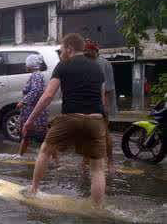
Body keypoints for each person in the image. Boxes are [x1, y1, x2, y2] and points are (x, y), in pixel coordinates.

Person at [22, 33, 107, 206]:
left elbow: (47, 96)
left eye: (61, 49)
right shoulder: (97, 67)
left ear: (69, 48)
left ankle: (34, 190)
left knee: (45, 150)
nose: (60, 53)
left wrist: (30, 120)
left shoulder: (63, 65)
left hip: (71, 117)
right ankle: (98, 207)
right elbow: (101, 98)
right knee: (97, 168)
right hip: (96, 119)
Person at [82, 39, 117, 173]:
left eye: (87, 50)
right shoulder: (85, 62)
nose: (85, 52)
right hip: (86, 104)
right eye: (84, 50)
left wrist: (105, 107)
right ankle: (85, 161)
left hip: (101, 104)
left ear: (94, 51)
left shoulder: (103, 63)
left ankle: (110, 162)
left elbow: (108, 88)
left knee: (104, 134)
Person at [13, 54, 49, 159]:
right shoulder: (37, 75)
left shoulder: (36, 76)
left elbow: (36, 90)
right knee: (28, 134)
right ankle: (20, 155)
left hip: (35, 111)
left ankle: (54, 159)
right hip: (33, 110)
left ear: (30, 65)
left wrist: (23, 102)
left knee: (42, 135)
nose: (25, 65)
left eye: (26, 64)